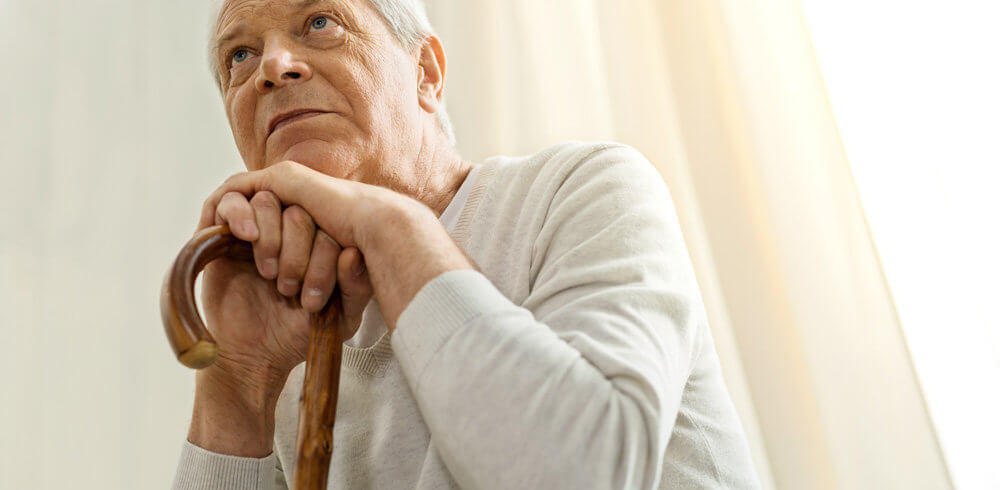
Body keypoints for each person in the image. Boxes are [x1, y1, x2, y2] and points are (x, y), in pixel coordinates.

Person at [171, 0, 762, 488]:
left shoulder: (586, 190)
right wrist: (239, 383)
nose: (271, 66)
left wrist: (392, 229)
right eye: (239, 56)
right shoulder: (284, 329)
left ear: (426, 73)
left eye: (320, 22)